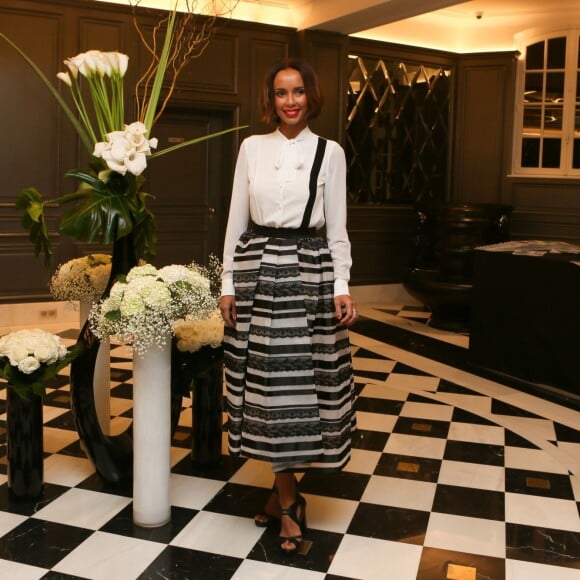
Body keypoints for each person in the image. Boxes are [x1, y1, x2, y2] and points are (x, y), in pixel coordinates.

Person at [219, 57, 357, 555]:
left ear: (310, 96)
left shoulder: (331, 153)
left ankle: (283, 497)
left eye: (298, 91)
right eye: (281, 93)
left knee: (303, 389)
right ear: (270, 100)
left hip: (310, 272)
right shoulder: (252, 149)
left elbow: (337, 227)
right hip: (258, 270)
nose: (290, 101)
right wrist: (228, 283)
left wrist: (342, 284)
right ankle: (288, 498)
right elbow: (236, 219)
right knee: (267, 388)